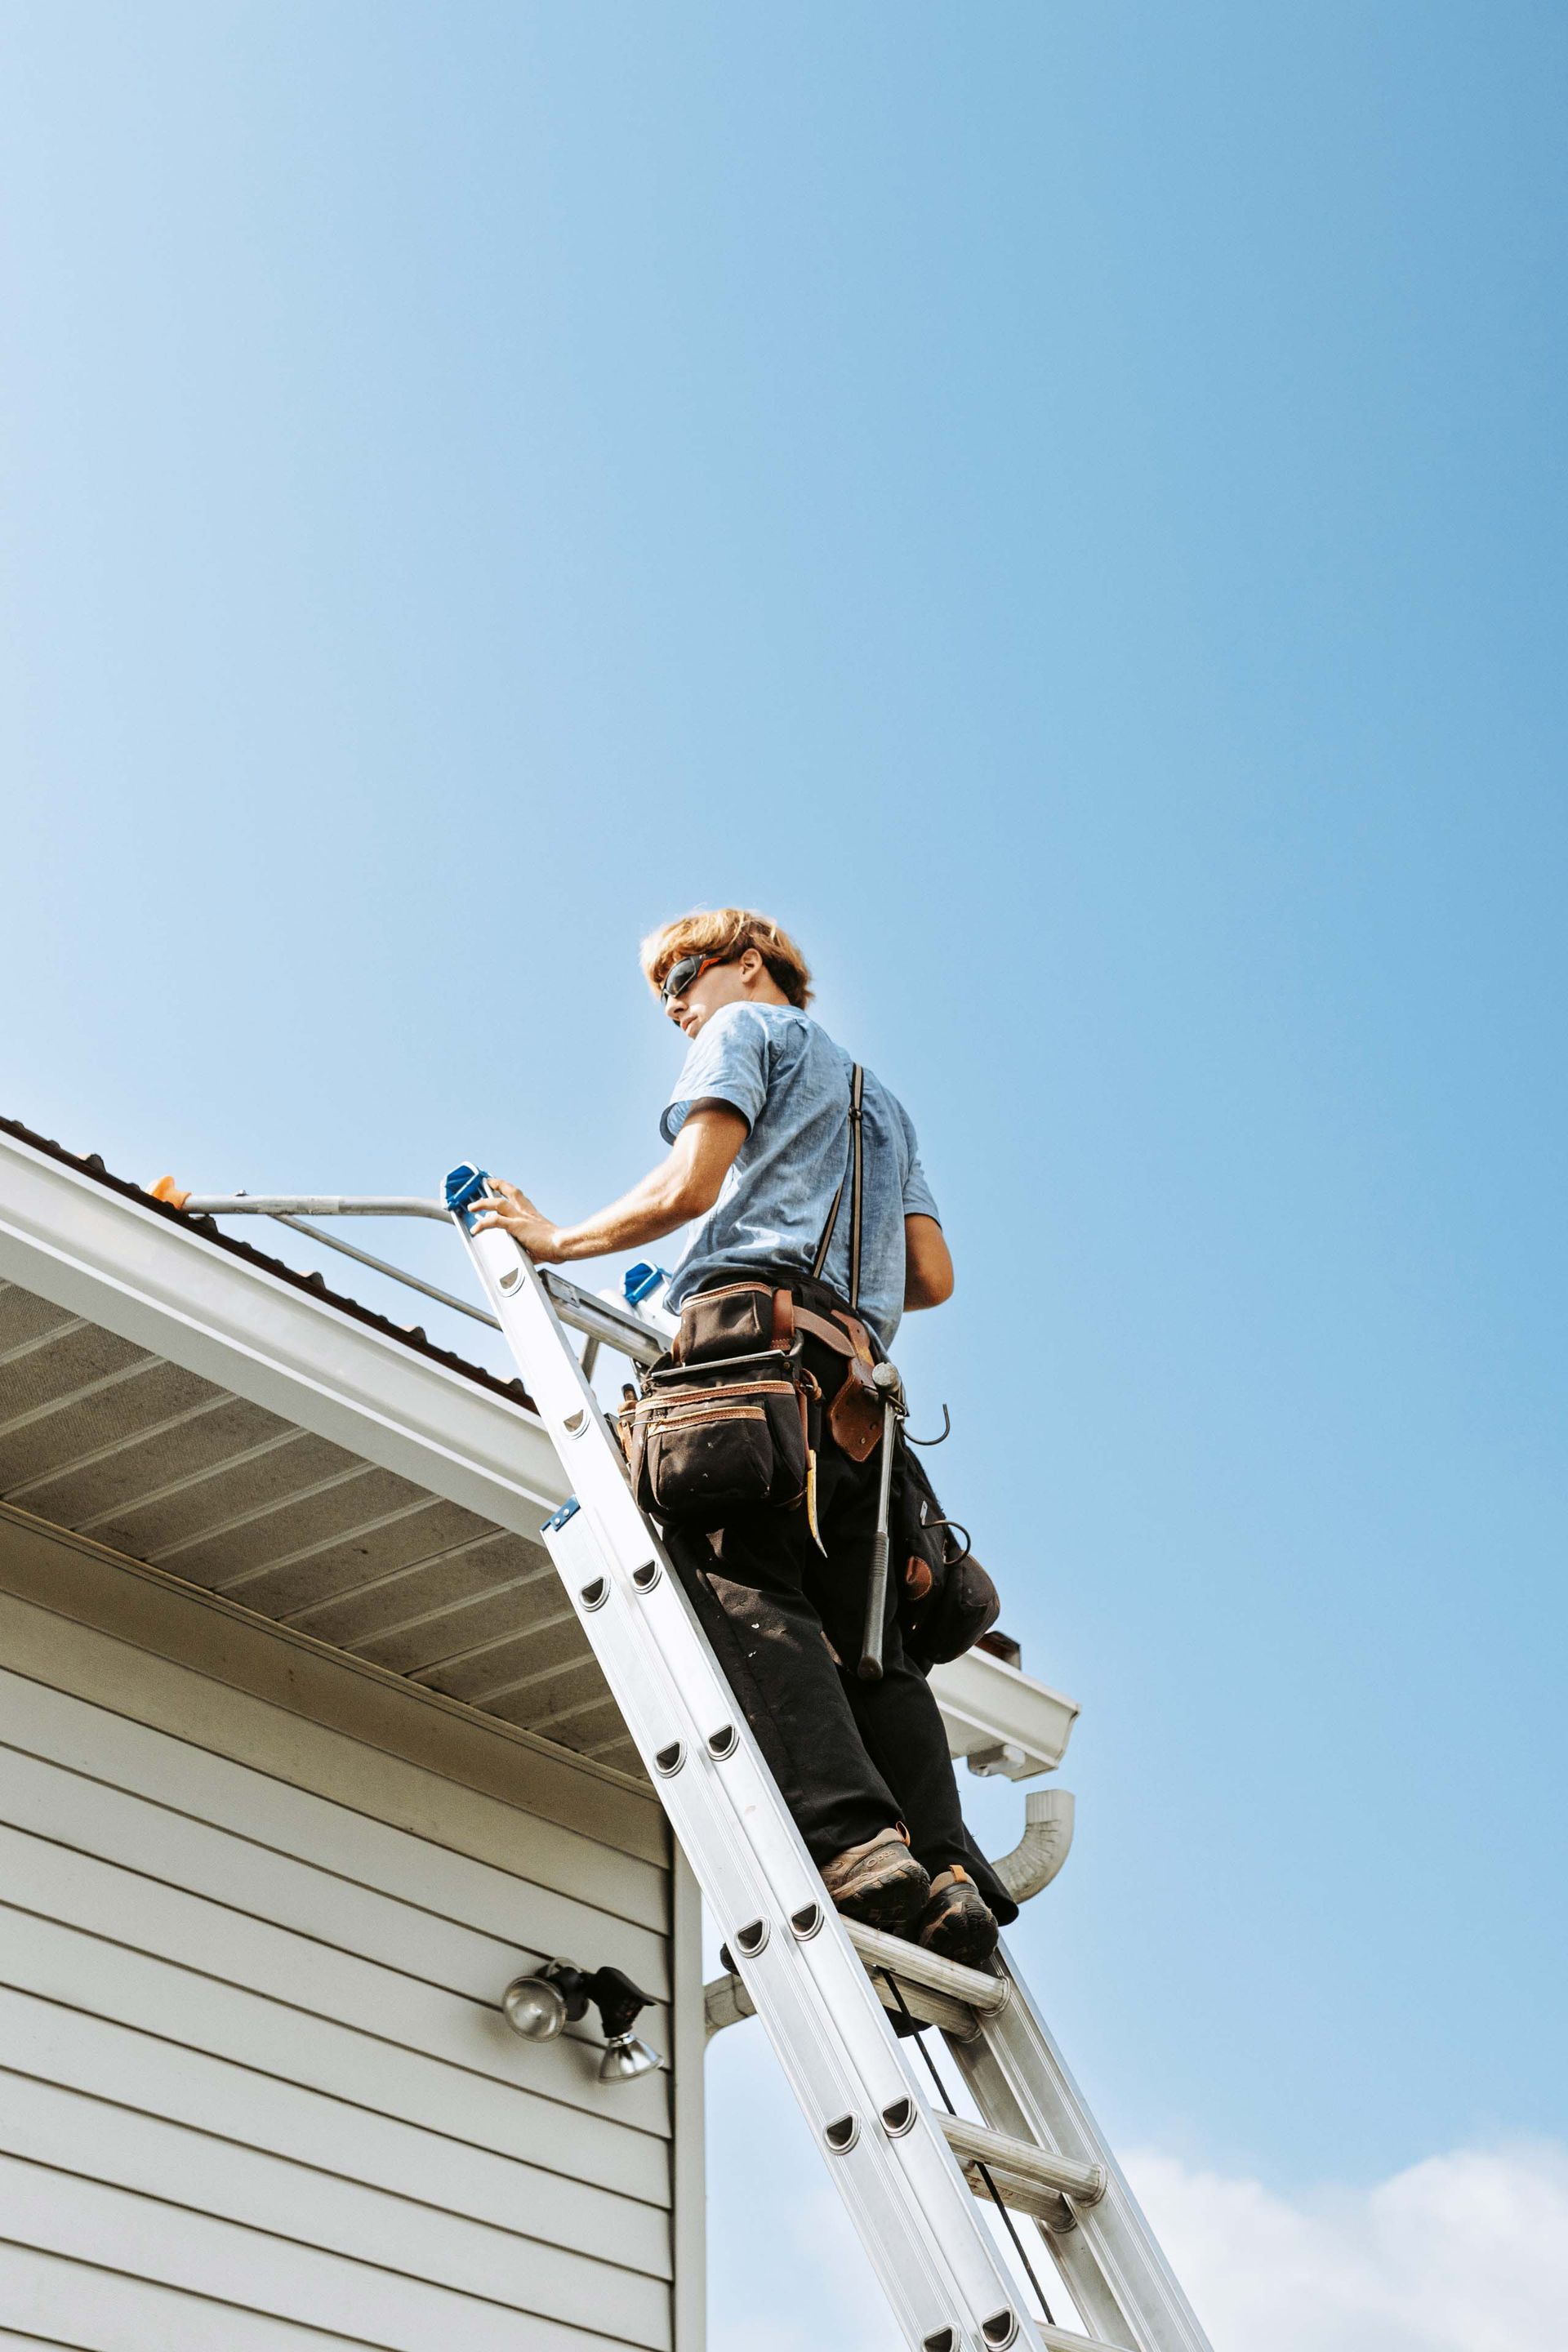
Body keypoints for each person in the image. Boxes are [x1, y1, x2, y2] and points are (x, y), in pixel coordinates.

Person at [474, 906, 1015, 1963]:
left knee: (738, 1572)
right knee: (878, 1644)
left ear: (749, 960)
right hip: (859, 1386)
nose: (675, 1003)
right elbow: (934, 1279)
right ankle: (947, 1871)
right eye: (664, 989)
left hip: (749, 1345)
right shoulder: (885, 1107)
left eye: (683, 973)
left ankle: (855, 1846)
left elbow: (691, 1188)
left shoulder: (749, 1036)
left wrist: (554, 1238)